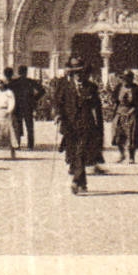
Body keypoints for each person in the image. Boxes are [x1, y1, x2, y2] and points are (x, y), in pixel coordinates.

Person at [54, 59, 104, 195]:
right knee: (72, 154)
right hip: (69, 126)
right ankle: (83, 183)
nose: (78, 75)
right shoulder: (65, 87)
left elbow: (97, 109)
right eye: (75, 72)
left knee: (80, 153)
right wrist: (58, 115)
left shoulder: (91, 88)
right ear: (71, 73)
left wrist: (99, 128)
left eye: (80, 72)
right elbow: (58, 103)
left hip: (86, 126)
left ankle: (76, 181)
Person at [111, 70, 138, 162]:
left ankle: (131, 156)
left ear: (131, 79)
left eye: (127, 79)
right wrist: (115, 107)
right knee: (117, 135)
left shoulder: (137, 89)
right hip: (119, 112)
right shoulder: (118, 88)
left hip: (132, 113)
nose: (125, 81)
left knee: (131, 135)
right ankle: (122, 154)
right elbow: (114, 99)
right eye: (123, 79)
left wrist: (133, 111)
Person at [10, 65, 40, 149]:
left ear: (18, 72)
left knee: (17, 126)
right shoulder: (31, 81)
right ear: (26, 72)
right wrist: (34, 98)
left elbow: (9, 93)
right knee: (29, 126)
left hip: (17, 106)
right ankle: (30, 145)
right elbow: (42, 90)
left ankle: (17, 144)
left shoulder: (14, 82)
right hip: (28, 105)